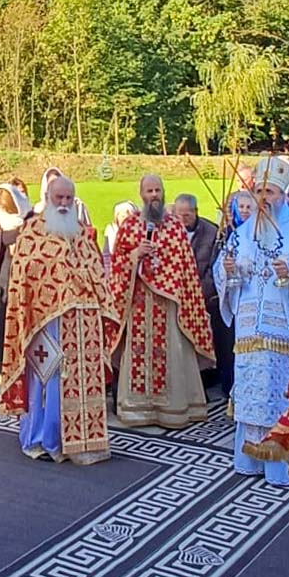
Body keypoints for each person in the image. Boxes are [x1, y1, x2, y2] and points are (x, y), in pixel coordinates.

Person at [215, 156, 289, 484]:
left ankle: (282, 467)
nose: (264, 198)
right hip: (249, 332)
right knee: (252, 393)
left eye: (270, 191)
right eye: (259, 191)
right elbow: (227, 275)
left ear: (283, 194)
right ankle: (251, 460)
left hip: (284, 334)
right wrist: (228, 271)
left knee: (281, 394)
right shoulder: (242, 233)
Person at [0, 174, 120, 463]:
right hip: (45, 322)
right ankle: (42, 438)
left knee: (79, 382)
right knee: (48, 378)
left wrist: (95, 297)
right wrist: (63, 284)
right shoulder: (32, 231)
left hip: (83, 322)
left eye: (69, 198)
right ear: (48, 198)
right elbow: (25, 274)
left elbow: (96, 272)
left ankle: (76, 441)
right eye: (59, 198)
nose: (64, 203)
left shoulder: (81, 233)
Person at [110, 175, 214, 431]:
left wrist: (166, 281)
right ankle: (137, 409)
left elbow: (185, 267)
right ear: (141, 194)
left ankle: (172, 409)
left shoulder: (175, 226)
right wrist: (134, 256)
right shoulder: (129, 226)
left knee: (171, 355)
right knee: (138, 355)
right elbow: (117, 263)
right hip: (138, 303)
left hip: (169, 305)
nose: (154, 195)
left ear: (163, 192)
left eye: (157, 190)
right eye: (149, 191)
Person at [173, 191, 234, 397]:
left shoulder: (211, 232)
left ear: (196, 212)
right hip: (176, 294)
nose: (183, 220)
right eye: (179, 215)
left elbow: (214, 268)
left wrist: (195, 293)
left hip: (204, 296)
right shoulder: (169, 232)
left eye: (187, 215)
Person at [0, 182, 31, 372]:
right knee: (0, 312)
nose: (3, 212)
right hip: (3, 269)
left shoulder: (29, 220)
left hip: (23, 273)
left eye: (6, 208)